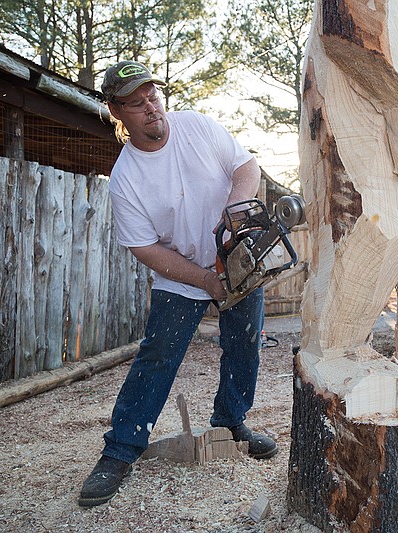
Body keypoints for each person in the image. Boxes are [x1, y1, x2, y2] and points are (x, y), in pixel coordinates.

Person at [77, 60, 277, 508]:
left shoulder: (198, 127)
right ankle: (121, 450)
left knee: (245, 344)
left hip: (238, 260)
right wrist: (205, 279)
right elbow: (145, 248)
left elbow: (246, 166)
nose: (151, 108)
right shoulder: (126, 179)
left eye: (153, 96)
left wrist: (237, 207)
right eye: (136, 103)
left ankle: (230, 423)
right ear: (117, 111)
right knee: (159, 356)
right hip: (182, 274)